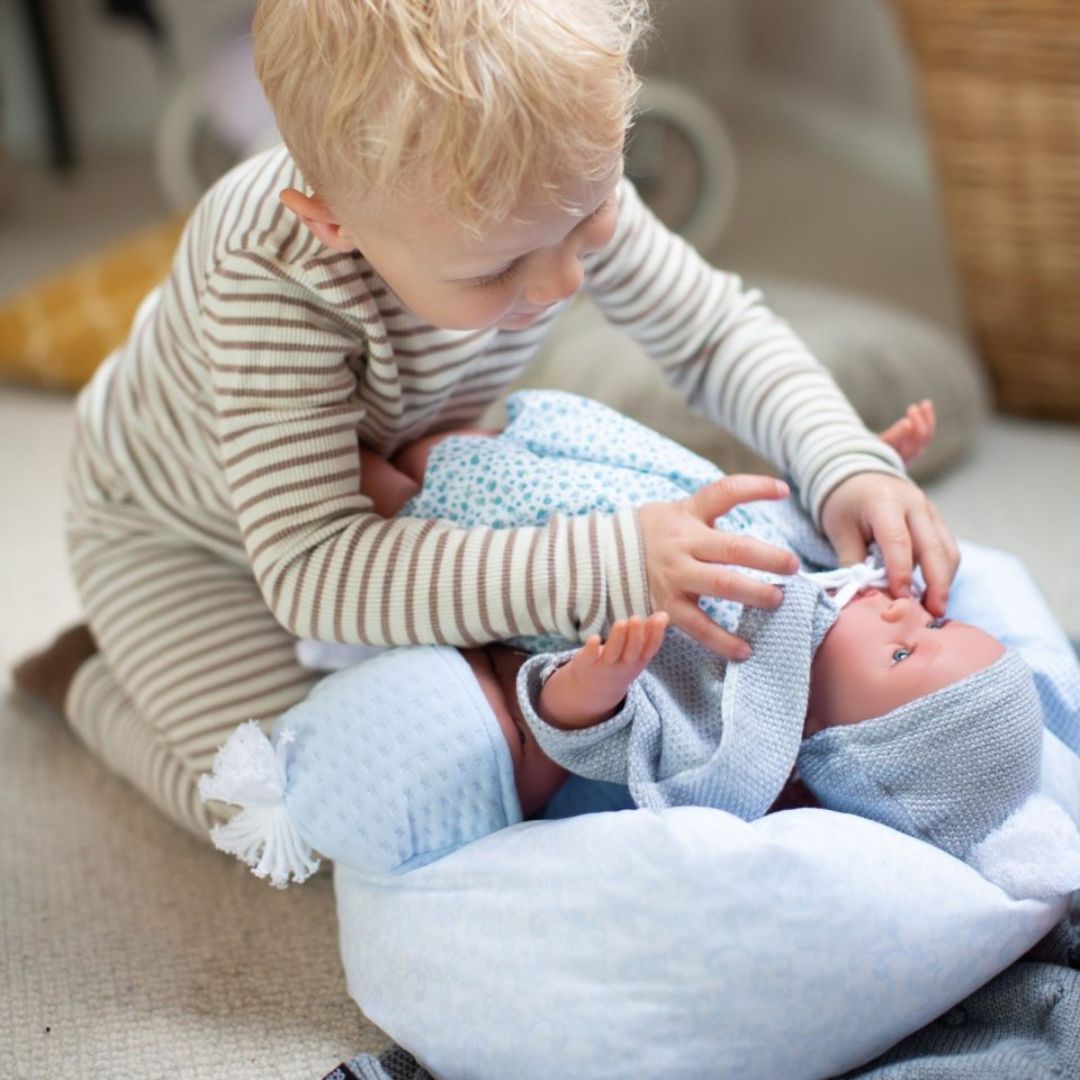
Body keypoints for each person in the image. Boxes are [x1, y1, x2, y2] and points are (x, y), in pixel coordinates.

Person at [15, 0, 957, 841]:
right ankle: (84, 678)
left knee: (492, 730)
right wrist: (603, 564)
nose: (562, 284)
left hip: (403, 493)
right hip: (185, 539)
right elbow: (312, 569)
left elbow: (710, 331)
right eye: (497, 270)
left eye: (591, 218)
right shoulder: (271, 275)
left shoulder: (547, 172)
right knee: (295, 806)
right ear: (334, 221)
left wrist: (842, 458)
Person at [204, 390, 1080, 906]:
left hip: (509, 555)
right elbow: (805, 520)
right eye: (934, 624)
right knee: (442, 435)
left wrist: (593, 685)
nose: (903, 617)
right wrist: (869, 466)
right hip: (586, 476)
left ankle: (240, 460)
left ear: (834, 739)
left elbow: (598, 740)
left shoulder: (737, 736)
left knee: (377, 488)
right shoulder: (842, 590)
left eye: (903, 657)